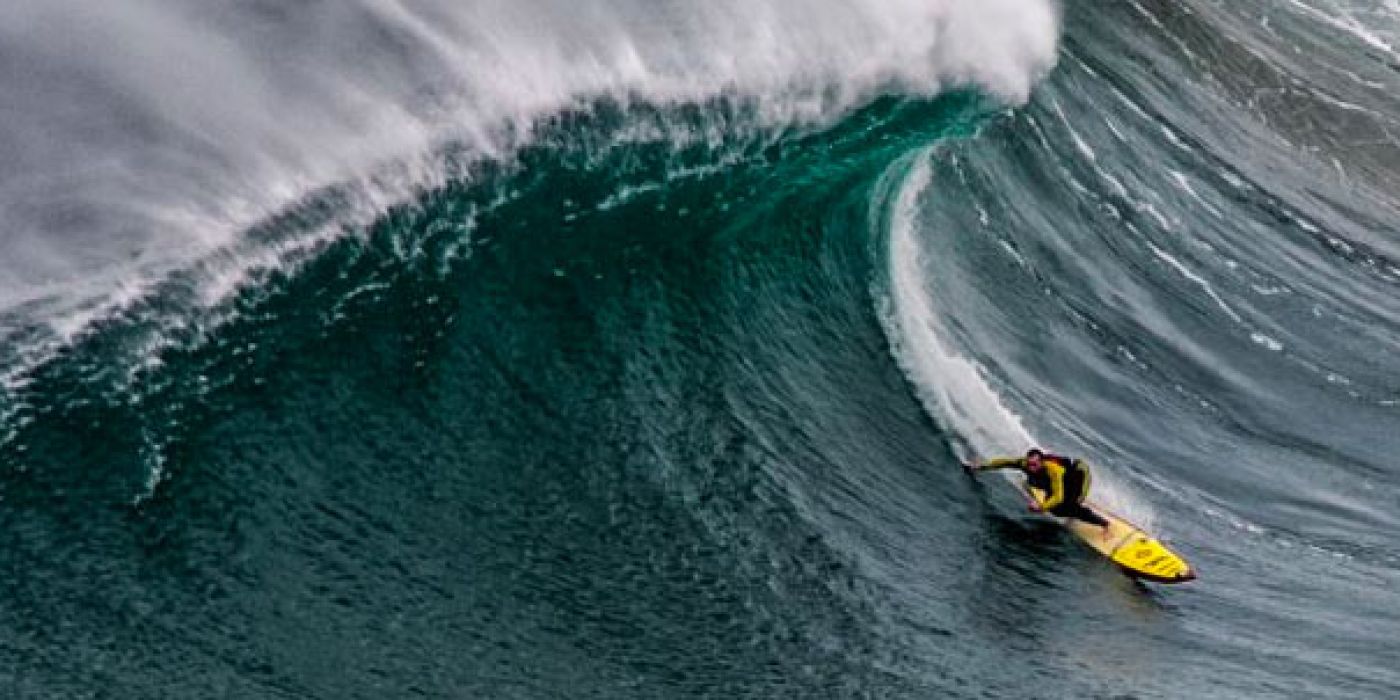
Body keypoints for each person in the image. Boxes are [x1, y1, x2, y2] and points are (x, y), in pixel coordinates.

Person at [965, 448, 1112, 535]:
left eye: (1035, 465)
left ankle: (1104, 524)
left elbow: (1058, 496)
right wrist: (980, 466)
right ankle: (1069, 508)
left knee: (1068, 506)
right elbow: (1004, 462)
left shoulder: (1053, 471)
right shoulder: (1025, 463)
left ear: (1042, 462)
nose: (1031, 467)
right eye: (1029, 464)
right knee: (1048, 500)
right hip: (1059, 481)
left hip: (1078, 474)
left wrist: (1041, 507)